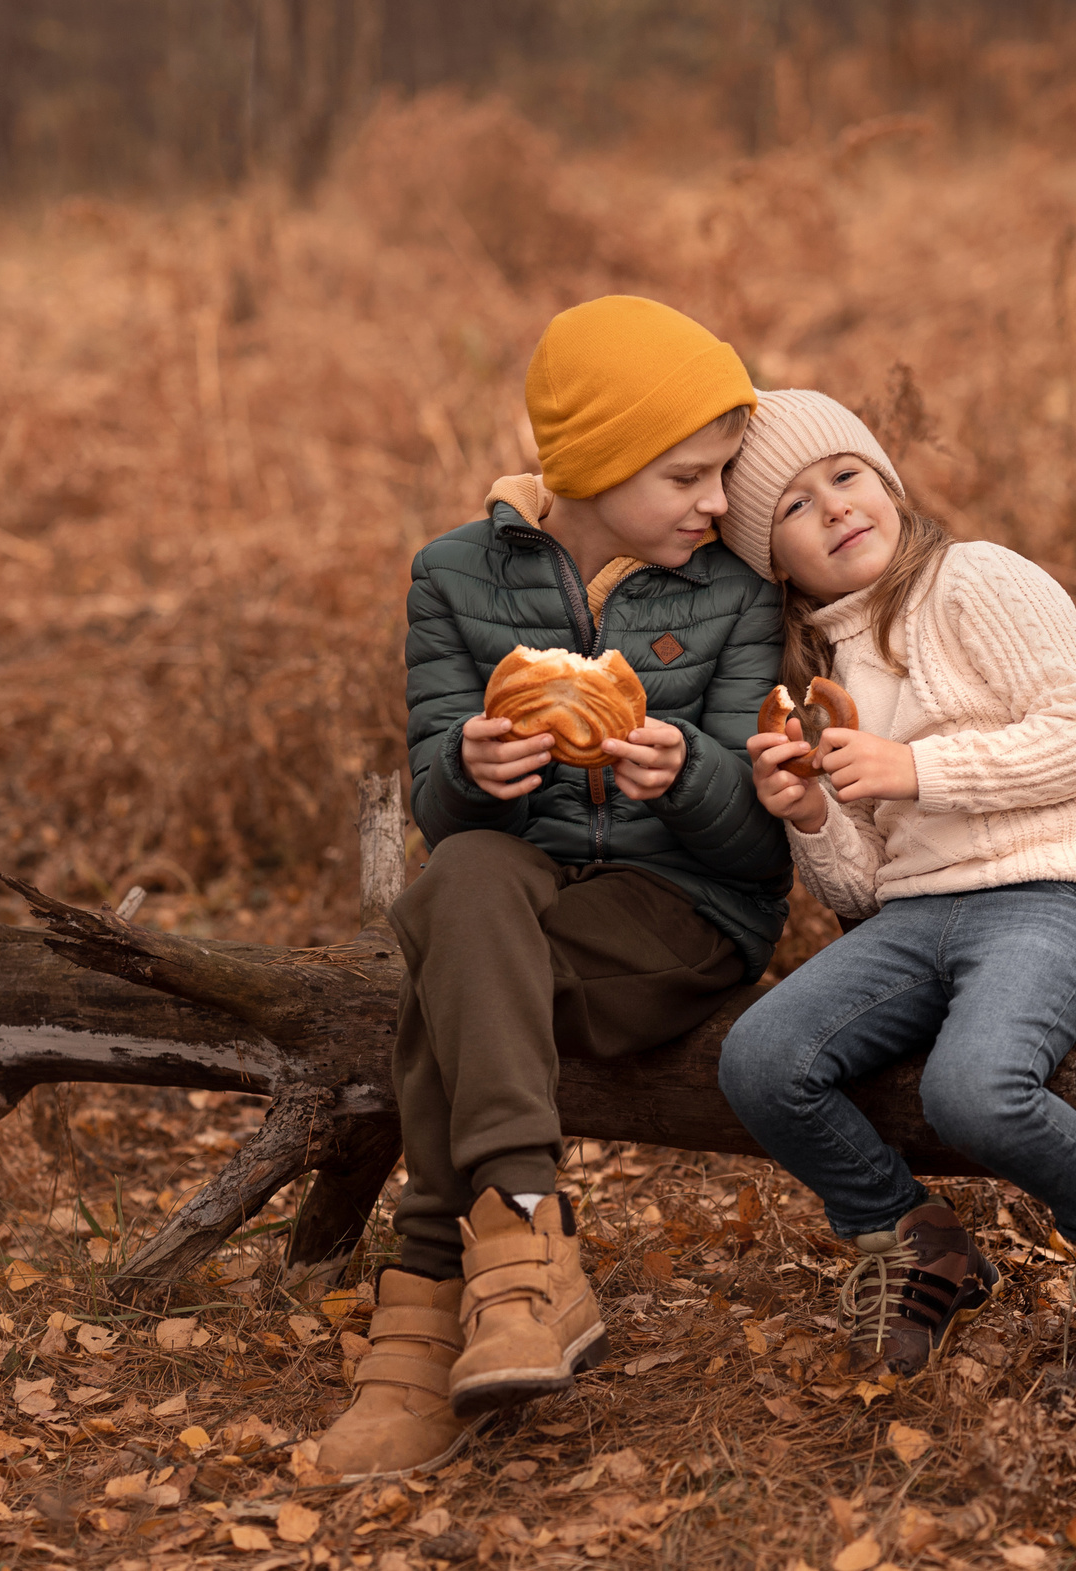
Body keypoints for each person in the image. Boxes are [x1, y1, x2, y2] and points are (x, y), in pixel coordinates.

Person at [315, 296, 792, 1478]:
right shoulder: (450, 577)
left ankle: (427, 1293)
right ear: (594, 464)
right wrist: (472, 770)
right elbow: (438, 808)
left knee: (446, 969)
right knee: (466, 878)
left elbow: (754, 852)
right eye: (688, 476)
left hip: (677, 916)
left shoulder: (732, 591)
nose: (718, 503)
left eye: (725, 474)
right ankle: (527, 1248)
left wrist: (689, 778)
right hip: (515, 900)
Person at [713, 389, 1076, 1399]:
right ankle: (916, 1238)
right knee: (763, 1058)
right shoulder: (814, 670)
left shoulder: (977, 581)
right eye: (791, 507)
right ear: (771, 561)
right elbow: (866, 893)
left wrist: (919, 771)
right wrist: (811, 816)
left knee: (972, 1088)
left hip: (1058, 889)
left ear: (886, 483)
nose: (832, 507)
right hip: (917, 916)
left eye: (845, 475)